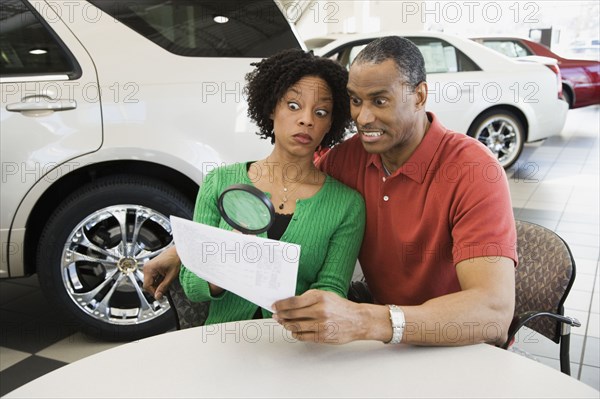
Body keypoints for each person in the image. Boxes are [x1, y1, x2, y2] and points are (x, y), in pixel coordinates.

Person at [145, 37, 517, 346]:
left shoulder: (473, 170)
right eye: (356, 100)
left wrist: (371, 320)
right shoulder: (348, 159)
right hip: (378, 343)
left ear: (419, 96)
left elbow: (493, 313)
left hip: (457, 344)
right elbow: (284, 203)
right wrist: (186, 247)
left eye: (380, 101)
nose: (364, 118)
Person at [145, 49, 365, 326]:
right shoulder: (219, 182)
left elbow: (333, 288)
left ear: (330, 124)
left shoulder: (347, 204)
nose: (307, 119)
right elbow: (192, 284)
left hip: (298, 344)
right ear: (272, 107)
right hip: (226, 341)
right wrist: (227, 265)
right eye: (294, 105)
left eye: (321, 112)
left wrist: (301, 311)